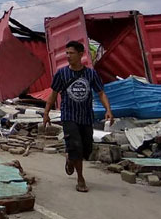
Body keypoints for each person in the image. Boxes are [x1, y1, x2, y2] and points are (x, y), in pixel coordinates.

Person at [43, 40, 113, 193]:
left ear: (81, 54)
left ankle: (70, 158)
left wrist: (108, 110)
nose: (68, 56)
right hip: (69, 115)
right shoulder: (61, 74)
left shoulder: (90, 74)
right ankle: (80, 178)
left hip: (86, 117)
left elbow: (100, 92)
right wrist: (46, 113)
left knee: (86, 149)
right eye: (66, 53)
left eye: (71, 53)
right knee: (76, 146)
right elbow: (53, 94)